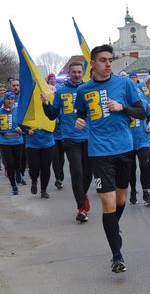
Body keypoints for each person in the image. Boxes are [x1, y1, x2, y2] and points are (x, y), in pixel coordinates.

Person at [74, 44, 145, 273]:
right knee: (107, 202)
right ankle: (117, 255)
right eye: (103, 60)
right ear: (93, 63)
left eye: (110, 60)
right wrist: (79, 120)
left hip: (124, 149)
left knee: (121, 200)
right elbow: (81, 112)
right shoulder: (84, 90)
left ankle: (114, 229)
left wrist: (122, 107)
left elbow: (140, 112)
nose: (107, 64)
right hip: (99, 152)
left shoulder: (124, 84)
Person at [42, 62, 93, 222]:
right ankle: (82, 208)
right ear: (69, 73)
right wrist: (45, 103)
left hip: (89, 138)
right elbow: (52, 115)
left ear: (83, 73)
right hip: (70, 138)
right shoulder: (62, 91)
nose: (77, 75)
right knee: (77, 172)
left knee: (88, 174)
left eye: (79, 72)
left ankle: (83, 196)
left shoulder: (89, 89)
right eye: (74, 72)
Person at [0, 91, 24, 195]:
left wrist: (21, 129)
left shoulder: (18, 110)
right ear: (4, 99)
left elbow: (23, 124)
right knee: (9, 164)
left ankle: (19, 174)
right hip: (5, 141)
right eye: (8, 99)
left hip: (18, 141)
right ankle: (14, 186)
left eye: (12, 99)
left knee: (17, 162)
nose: (10, 101)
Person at [24, 125, 55, 198]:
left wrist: (51, 128)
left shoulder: (49, 113)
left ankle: (43, 190)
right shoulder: (29, 113)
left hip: (48, 144)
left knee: (46, 168)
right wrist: (27, 131)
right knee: (34, 167)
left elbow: (55, 123)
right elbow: (20, 123)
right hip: (32, 144)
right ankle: (34, 181)